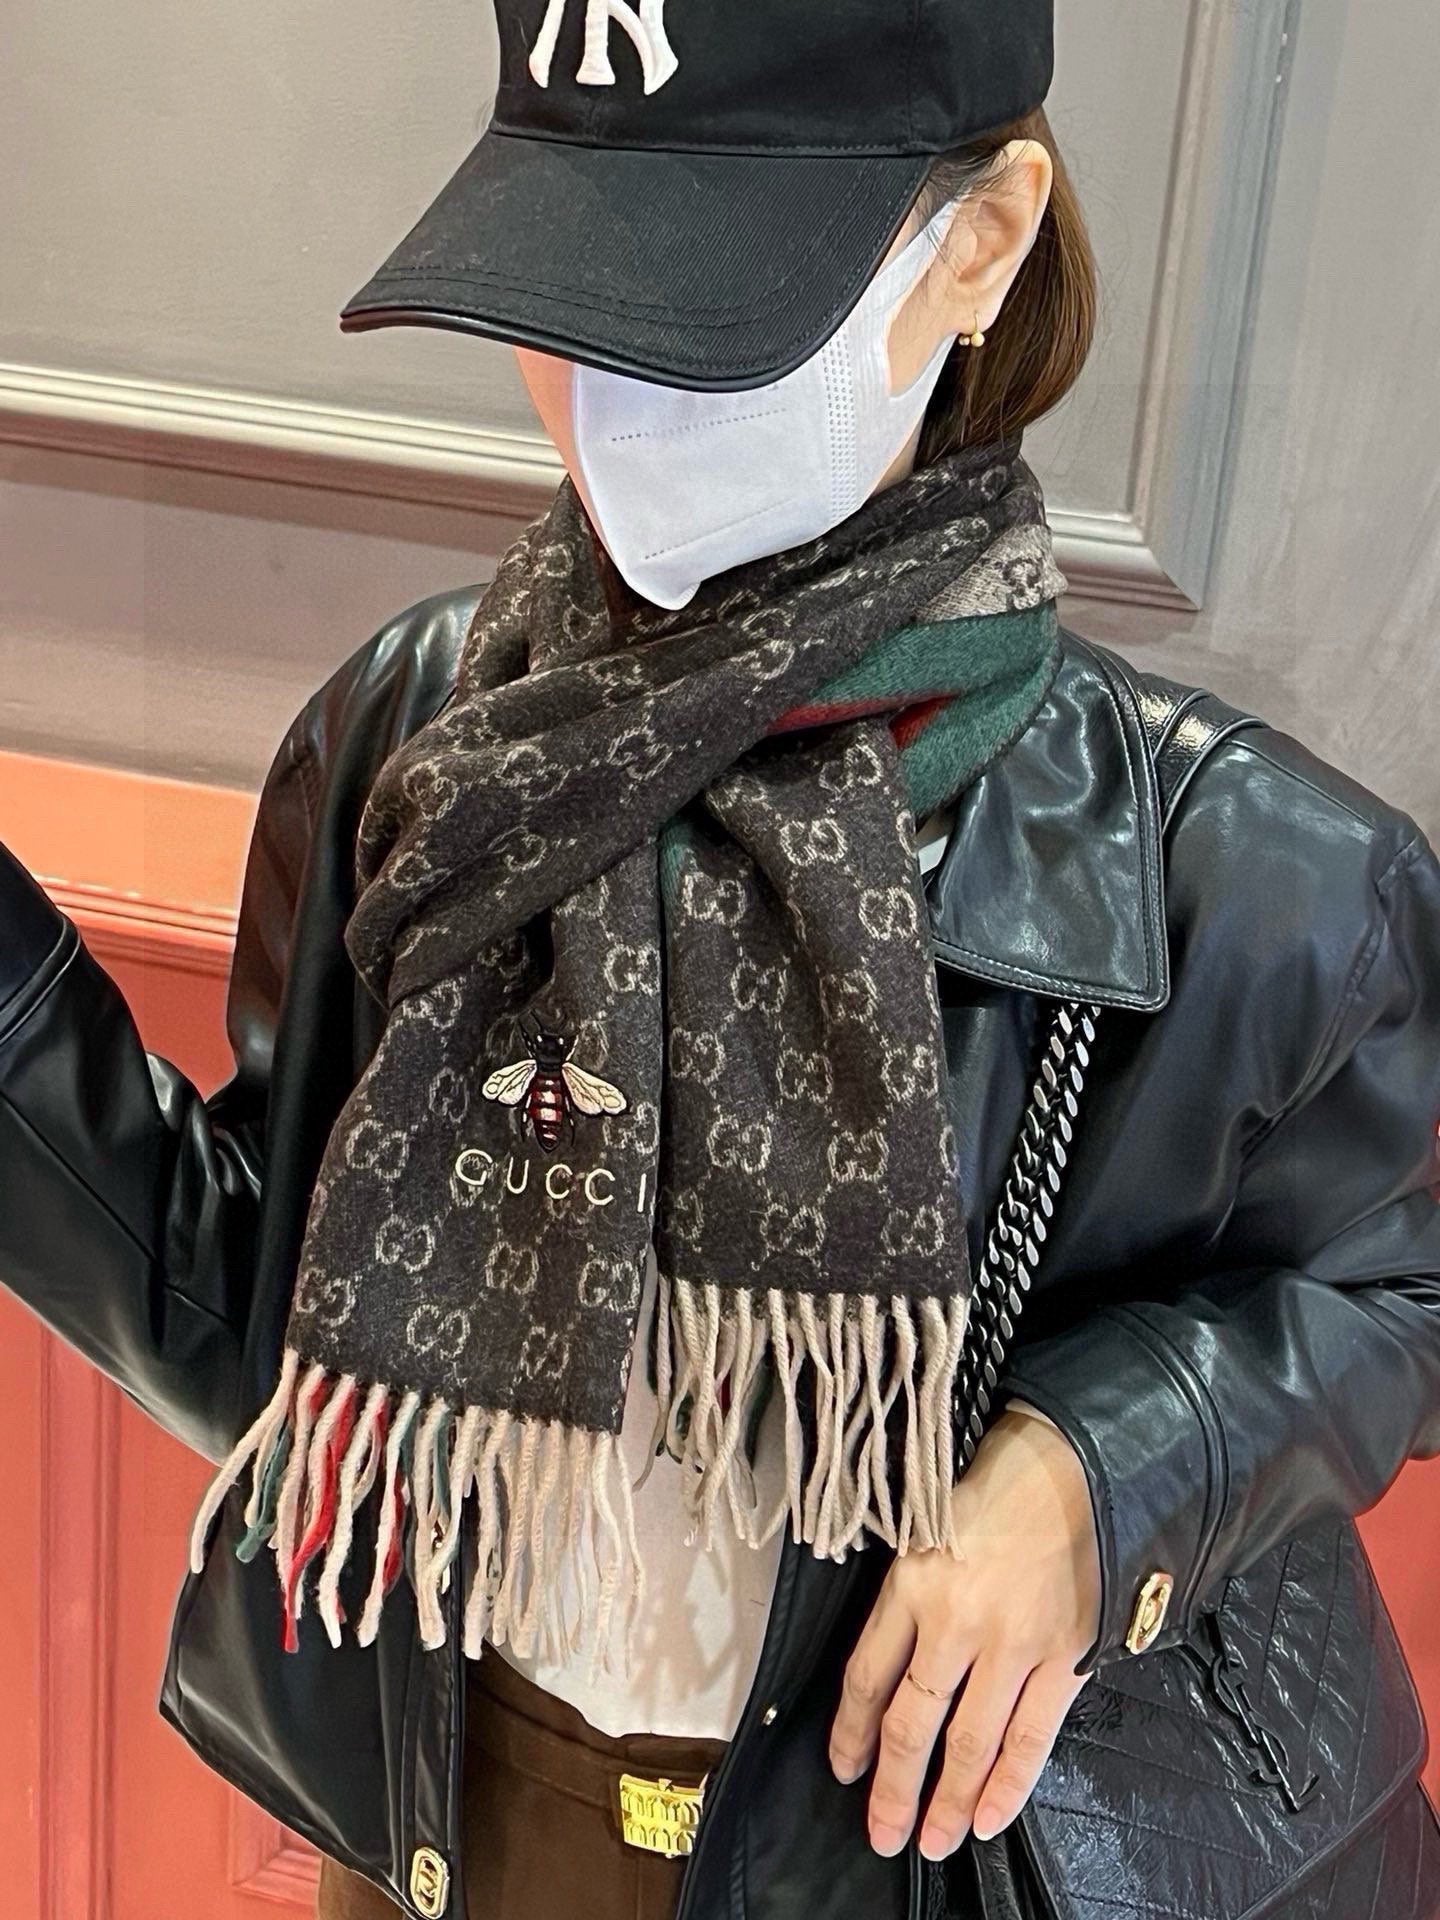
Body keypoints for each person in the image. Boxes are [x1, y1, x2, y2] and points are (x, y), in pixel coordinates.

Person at [2, 3, 1439, 1919]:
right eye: (564, 307)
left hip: (946, 1858)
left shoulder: (1247, 873)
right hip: (470, 1827)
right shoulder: (425, 742)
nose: (613, 407)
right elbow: (268, 1335)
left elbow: (1399, 1291)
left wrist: (1105, 1474)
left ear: (981, 241)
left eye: (706, 312)